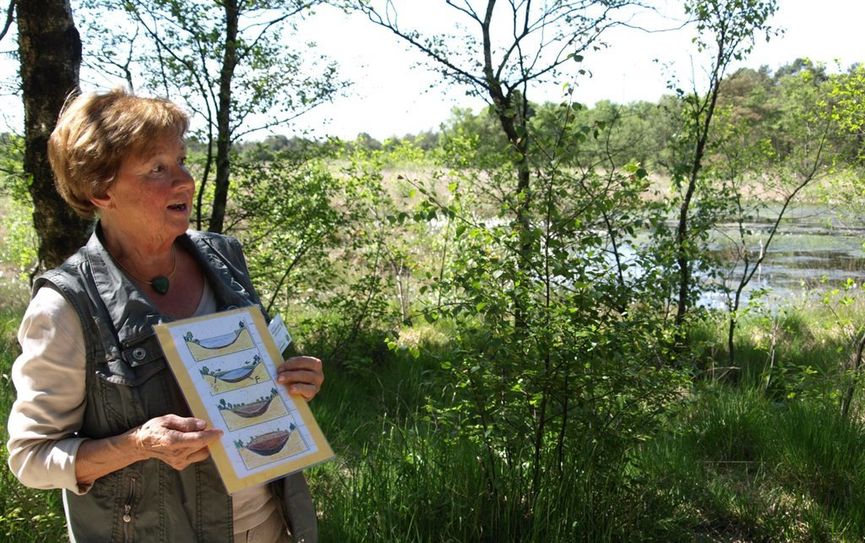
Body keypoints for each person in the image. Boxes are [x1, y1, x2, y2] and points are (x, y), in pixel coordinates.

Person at [6, 88, 324, 543]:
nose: (184, 181)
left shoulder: (223, 258)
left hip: (270, 524)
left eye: (180, 160)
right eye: (157, 168)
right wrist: (137, 445)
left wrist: (293, 382)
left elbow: (247, 382)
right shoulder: (67, 305)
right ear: (100, 189)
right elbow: (30, 458)